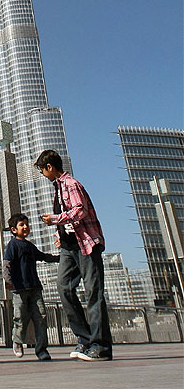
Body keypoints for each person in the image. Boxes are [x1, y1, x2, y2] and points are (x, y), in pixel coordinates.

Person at [35, 149, 113, 362]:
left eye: (43, 170)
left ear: (49, 167)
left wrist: (55, 219)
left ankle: (101, 345)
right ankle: (85, 339)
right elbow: (71, 220)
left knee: (93, 292)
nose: (43, 175)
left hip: (86, 245)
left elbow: (80, 211)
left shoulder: (70, 184)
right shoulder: (58, 188)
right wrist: (61, 233)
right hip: (69, 246)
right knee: (64, 287)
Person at [3, 212, 60, 361]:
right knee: (20, 318)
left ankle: (41, 350)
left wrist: (60, 258)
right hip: (19, 289)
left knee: (40, 318)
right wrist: (10, 282)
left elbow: (42, 256)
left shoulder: (30, 246)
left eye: (26, 224)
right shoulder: (12, 245)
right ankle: (17, 341)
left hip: (35, 288)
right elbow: (6, 265)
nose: (25, 227)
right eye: (22, 225)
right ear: (14, 229)